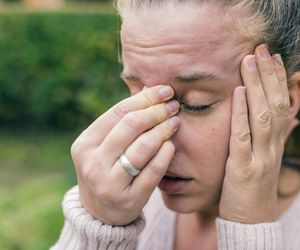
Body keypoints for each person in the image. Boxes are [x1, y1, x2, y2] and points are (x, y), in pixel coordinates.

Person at [51, 0, 300, 249]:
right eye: (139, 96)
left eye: (196, 103)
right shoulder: (122, 201)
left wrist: (250, 228)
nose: (154, 137)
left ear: (285, 100)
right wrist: (98, 226)